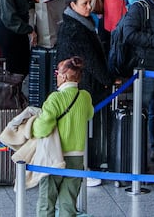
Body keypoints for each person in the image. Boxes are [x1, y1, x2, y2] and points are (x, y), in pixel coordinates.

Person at [31, 55, 95, 217]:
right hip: (77, 158)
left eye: (57, 73)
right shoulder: (85, 97)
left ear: (64, 76)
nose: (56, 76)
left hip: (54, 157)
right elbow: (89, 115)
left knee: (47, 202)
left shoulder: (55, 99)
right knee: (68, 204)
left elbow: (41, 129)